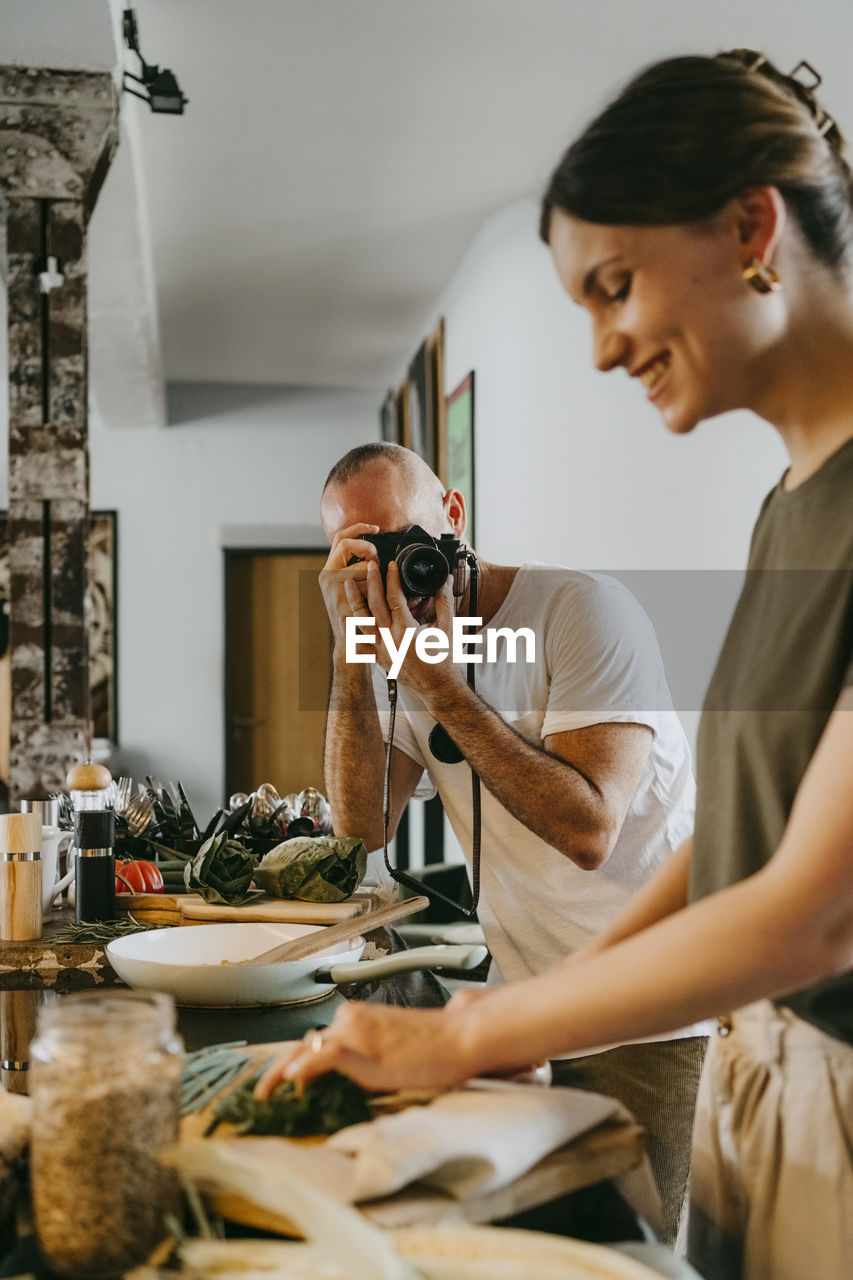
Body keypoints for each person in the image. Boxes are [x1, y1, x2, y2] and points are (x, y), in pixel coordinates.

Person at [258, 49, 853, 1279]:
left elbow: (814, 905)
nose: (598, 348)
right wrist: (504, 1010)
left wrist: (477, 1030)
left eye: (615, 285)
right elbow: (737, 838)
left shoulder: (588, 606)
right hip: (760, 1066)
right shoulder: (790, 504)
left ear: (752, 226)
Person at [307, 440, 702, 1242]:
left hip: (650, 1009)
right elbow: (361, 830)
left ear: (453, 515)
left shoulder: (580, 612)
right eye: (364, 559)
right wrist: (354, 652)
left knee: (636, 1245)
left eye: (404, 542)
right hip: (529, 997)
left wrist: (438, 684)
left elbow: (589, 828)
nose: (394, 578)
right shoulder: (392, 651)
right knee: (538, 1238)